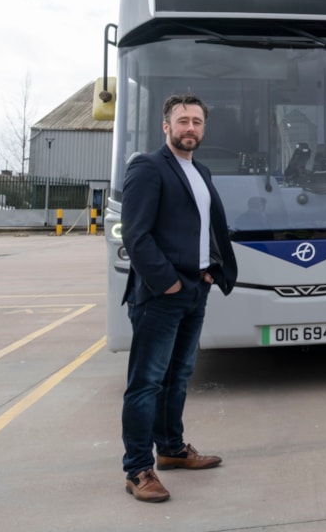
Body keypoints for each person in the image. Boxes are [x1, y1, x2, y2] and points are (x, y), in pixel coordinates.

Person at [120, 94, 238, 502]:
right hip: (160, 294)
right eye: (183, 121)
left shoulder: (200, 170)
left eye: (198, 122)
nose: (191, 128)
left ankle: (171, 449)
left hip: (195, 289)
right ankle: (138, 468)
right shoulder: (147, 168)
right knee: (146, 383)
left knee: (178, 376)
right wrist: (167, 282)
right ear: (166, 126)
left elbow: (204, 228)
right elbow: (136, 235)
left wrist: (208, 269)